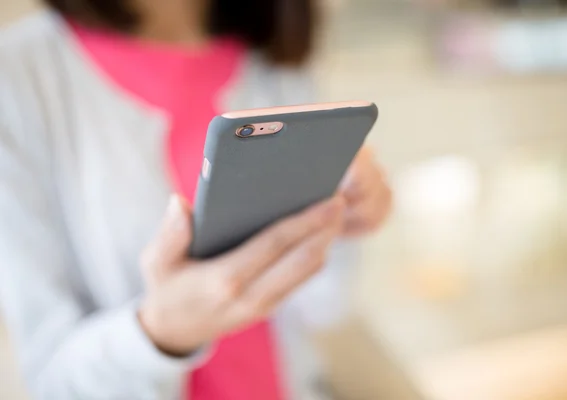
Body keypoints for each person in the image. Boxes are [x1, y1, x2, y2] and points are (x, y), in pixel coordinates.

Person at [0, 1, 392, 399]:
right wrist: (158, 332)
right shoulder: (16, 78)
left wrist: (340, 215)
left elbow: (326, 305)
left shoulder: (270, 42)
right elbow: (49, 383)